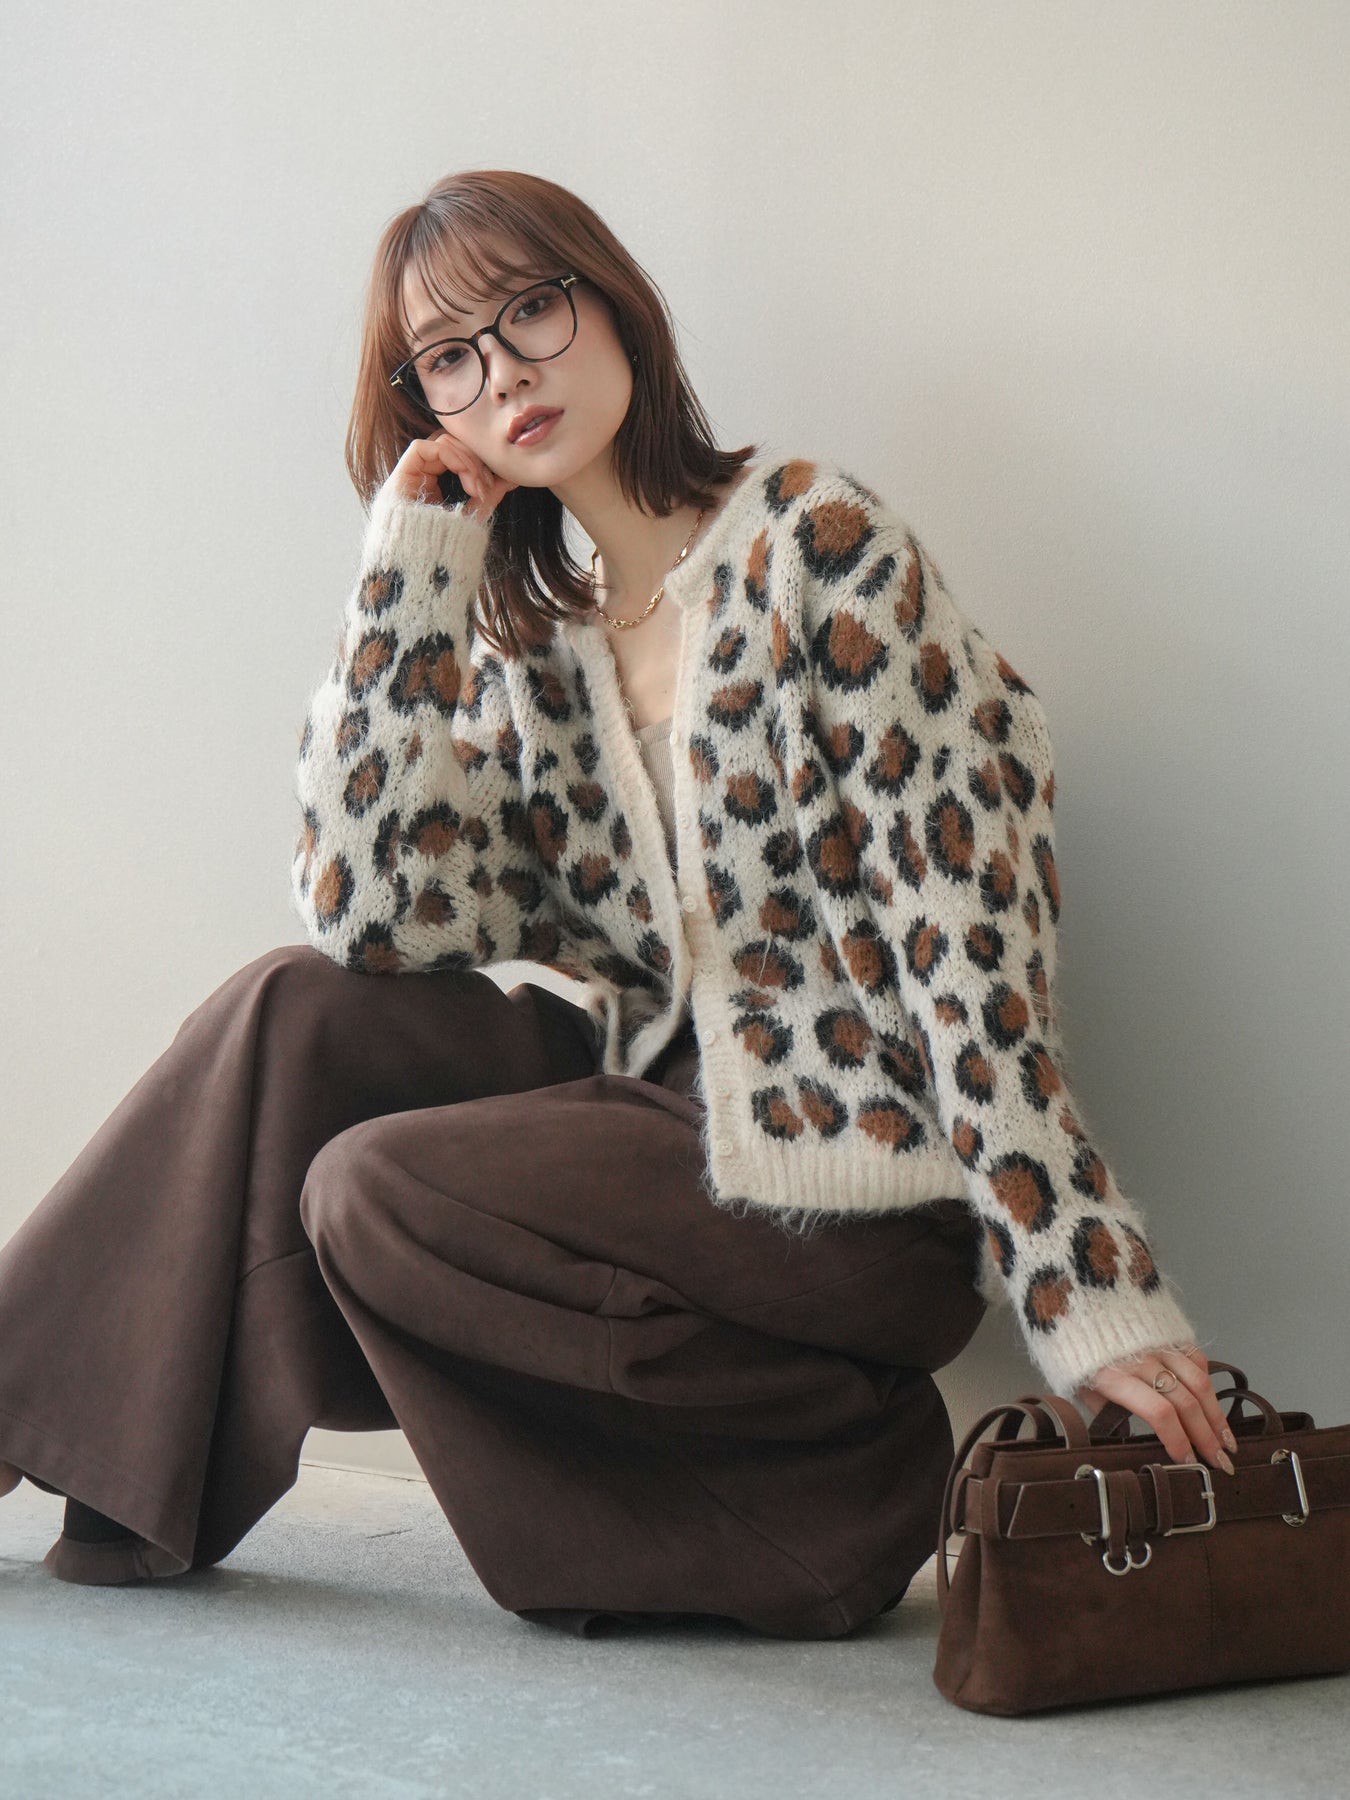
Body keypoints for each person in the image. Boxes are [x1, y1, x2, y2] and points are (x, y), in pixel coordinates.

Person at [0, 169, 1236, 1636]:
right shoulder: (548, 649)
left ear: (613, 304)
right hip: (653, 1121)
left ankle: (816, 1487)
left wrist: (1088, 1290)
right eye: (449, 357)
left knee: (372, 1186)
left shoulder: (815, 549)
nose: (504, 375)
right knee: (294, 1005)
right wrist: (411, 572)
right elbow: (375, 913)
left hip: (859, 1183)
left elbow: (967, 948)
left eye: (530, 310)